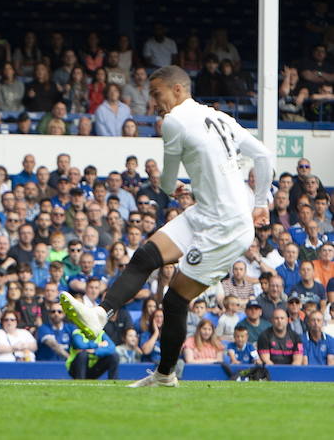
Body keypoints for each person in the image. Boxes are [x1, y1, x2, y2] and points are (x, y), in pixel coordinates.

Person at [61, 64, 274, 387]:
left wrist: (171, 187)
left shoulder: (173, 121)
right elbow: (263, 155)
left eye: (156, 94)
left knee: (174, 302)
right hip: (207, 212)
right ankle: (100, 314)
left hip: (226, 227)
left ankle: (164, 375)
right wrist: (259, 202)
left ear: (177, 90)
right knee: (145, 256)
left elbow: (168, 180)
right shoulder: (219, 117)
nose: (153, 102)